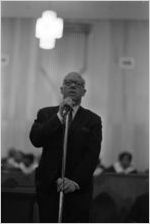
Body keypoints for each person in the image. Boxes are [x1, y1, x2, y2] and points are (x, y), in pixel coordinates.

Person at [29, 72, 102, 223]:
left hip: (78, 189)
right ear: (61, 89)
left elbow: (92, 154)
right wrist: (59, 117)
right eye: (68, 83)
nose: (73, 85)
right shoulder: (46, 113)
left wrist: (75, 181)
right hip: (49, 187)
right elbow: (36, 139)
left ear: (84, 92)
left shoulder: (93, 120)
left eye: (78, 84)